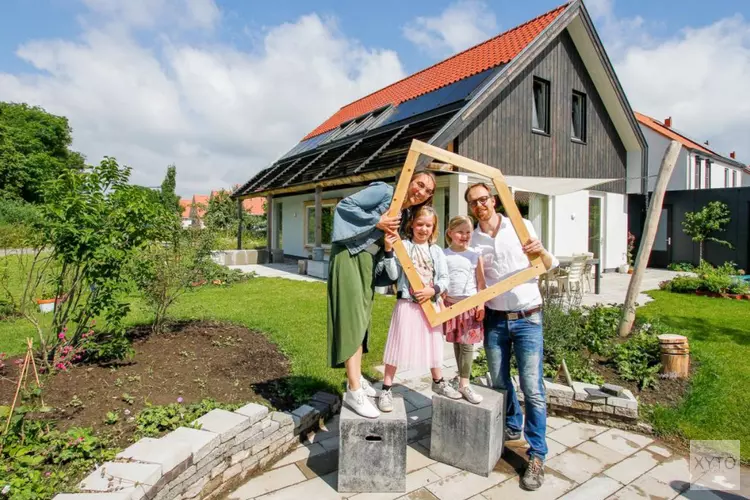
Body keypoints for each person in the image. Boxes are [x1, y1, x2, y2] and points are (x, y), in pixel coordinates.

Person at [465, 182, 558, 491]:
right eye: (473, 202)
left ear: (494, 200)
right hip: (494, 320)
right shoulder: (473, 239)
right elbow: (474, 280)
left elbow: (548, 265)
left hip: (529, 318)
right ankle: (512, 425)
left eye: (483, 199)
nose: (480, 205)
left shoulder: (521, 225)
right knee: (501, 383)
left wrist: (540, 250)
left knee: (532, 388)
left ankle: (537, 455)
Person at [328, 171, 436, 419]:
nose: (422, 192)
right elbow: (345, 207)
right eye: (419, 184)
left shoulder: (406, 213)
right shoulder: (385, 192)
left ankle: (354, 379)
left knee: (362, 320)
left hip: (367, 261)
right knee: (352, 318)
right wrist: (377, 221)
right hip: (350, 255)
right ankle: (355, 389)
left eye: (428, 190)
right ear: (409, 181)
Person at [377, 206, 462, 412]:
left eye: (428, 225)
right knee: (397, 345)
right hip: (407, 303)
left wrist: (432, 290)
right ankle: (386, 388)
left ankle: (438, 380)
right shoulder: (403, 246)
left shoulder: (436, 251)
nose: (423, 229)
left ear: (433, 228)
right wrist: (389, 251)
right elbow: (393, 275)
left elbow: (444, 279)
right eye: (420, 224)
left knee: (434, 343)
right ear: (412, 225)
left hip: (430, 305)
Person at [441, 215, 486, 404]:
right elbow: (440, 280)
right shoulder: (443, 254)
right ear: (450, 233)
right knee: (458, 343)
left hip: (470, 304)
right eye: (460, 232)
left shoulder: (475, 254)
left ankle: (464, 383)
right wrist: (442, 301)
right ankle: (461, 378)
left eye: (468, 232)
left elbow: (481, 281)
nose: (465, 235)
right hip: (451, 305)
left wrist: (481, 303)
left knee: (468, 344)